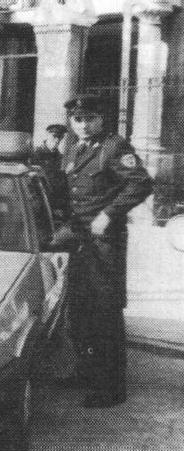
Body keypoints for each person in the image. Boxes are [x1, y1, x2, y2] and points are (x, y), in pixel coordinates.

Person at [53, 94, 153, 408]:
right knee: (79, 310)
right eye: (78, 119)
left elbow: (140, 184)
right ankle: (86, 370)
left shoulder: (114, 147)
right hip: (78, 237)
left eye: (90, 118)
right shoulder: (71, 146)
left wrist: (109, 214)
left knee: (105, 312)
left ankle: (111, 387)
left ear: (102, 119)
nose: (83, 124)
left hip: (104, 240)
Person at [30, 123, 70, 221]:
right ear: (47, 135)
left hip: (56, 208)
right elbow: (31, 183)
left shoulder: (61, 159)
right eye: (54, 136)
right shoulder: (35, 156)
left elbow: (62, 185)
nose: (57, 140)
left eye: (60, 137)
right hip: (39, 206)